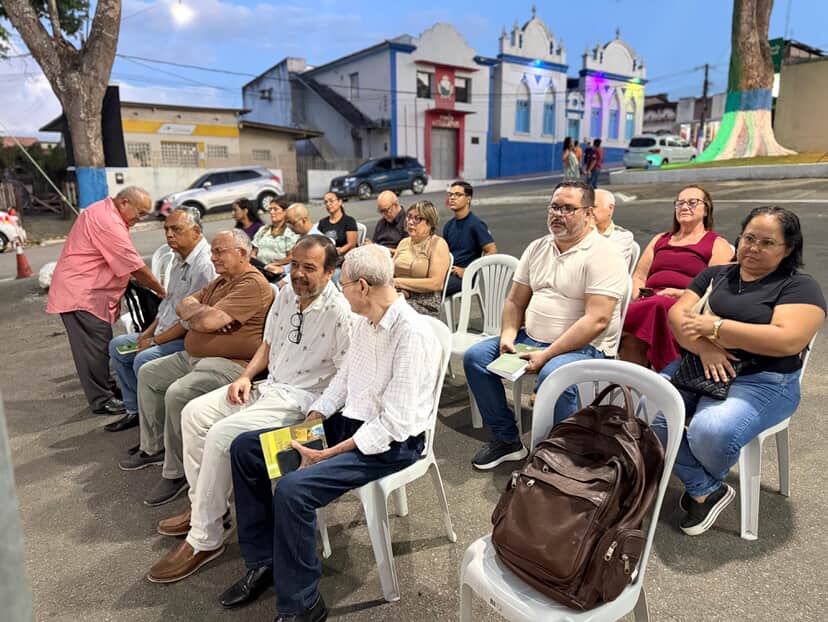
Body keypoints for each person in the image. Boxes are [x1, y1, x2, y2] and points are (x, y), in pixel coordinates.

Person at [224, 244, 441, 619]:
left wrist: (328, 453)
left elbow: (397, 423)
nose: (339, 292)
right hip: (352, 423)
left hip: (391, 444)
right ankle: (265, 561)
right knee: (245, 448)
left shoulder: (411, 334)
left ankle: (304, 603)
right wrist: (315, 414)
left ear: (361, 286)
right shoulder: (365, 322)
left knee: (294, 490)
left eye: (342, 285)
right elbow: (344, 379)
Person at [145, 235, 353, 585]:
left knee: (222, 435)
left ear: (330, 272)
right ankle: (207, 512)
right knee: (193, 414)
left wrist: (317, 413)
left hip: (300, 401)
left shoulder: (340, 313)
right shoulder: (286, 293)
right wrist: (245, 375)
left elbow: (346, 376)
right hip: (268, 387)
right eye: (295, 265)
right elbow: (268, 343)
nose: (298, 274)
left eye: (309, 268)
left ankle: (204, 538)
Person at [655, 206, 825, 536]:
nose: (753, 247)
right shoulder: (717, 274)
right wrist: (704, 347)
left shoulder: (799, 286)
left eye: (766, 242)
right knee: (648, 408)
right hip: (699, 365)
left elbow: (786, 340)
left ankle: (697, 478)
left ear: (788, 248)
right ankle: (705, 487)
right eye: (749, 238)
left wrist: (715, 328)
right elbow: (678, 317)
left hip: (765, 379)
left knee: (710, 431)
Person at [464, 180, 628, 470]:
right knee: (476, 358)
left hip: (586, 347)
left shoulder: (604, 254)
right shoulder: (538, 247)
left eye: (568, 208)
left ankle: (561, 454)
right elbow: (515, 301)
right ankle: (507, 440)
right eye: (554, 206)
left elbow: (597, 320)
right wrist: (509, 335)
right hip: (532, 338)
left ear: (589, 214)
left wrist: (548, 354)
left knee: (554, 374)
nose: (557, 214)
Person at [118, 230, 274, 507]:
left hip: (230, 365)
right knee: (149, 372)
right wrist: (197, 314)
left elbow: (209, 321)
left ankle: (176, 473)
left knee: (178, 393)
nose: (213, 257)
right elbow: (183, 305)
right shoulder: (220, 282)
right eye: (212, 252)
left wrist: (200, 315)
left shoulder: (251, 284)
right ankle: (154, 447)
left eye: (219, 251)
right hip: (194, 356)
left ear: (242, 253)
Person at [45, 187, 165, 416]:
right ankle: (102, 400)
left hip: (87, 290)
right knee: (93, 348)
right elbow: (134, 265)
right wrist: (161, 290)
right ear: (124, 202)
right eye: (139, 213)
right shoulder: (108, 220)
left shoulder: (106, 212)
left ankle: (107, 389)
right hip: (82, 294)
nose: (139, 220)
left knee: (98, 346)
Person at [106, 207, 216, 433]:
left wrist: (156, 342)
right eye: (166, 229)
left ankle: (157, 426)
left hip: (184, 339)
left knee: (143, 359)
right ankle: (135, 410)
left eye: (176, 229)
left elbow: (191, 322)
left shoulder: (204, 265)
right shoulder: (177, 259)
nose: (169, 235)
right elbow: (167, 305)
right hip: (163, 332)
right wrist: (147, 334)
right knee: (119, 347)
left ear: (196, 231)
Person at [619, 185, 733, 371]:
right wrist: (637, 295)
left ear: (706, 210)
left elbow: (716, 288)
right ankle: (635, 391)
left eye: (692, 202)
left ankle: (612, 331)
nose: (684, 207)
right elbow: (639, 276)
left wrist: (682, 294)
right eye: (679, 203)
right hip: (648, 301)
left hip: (684, 303)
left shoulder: (717, 244)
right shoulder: (660, 239)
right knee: (635, 337)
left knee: (658, 306)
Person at [393, 201, 451, 316]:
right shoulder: (404, 242)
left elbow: (436, 283)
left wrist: (398, 282)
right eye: (409, 217)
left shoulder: (437, 244)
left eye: (417, 219)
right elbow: (391, 272)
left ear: (430, 223)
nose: (410, 222)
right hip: (401, 295)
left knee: (386, 309)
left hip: (424, 302)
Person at [442, 181, 497, 296]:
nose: (452, 198)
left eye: (458, 195)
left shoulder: (476, 224)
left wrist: (468, 270)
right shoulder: (448, 226)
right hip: (448, 273)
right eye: (451, 194)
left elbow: (492, 250)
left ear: (468, 199)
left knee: (433, 287)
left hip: (464, 278)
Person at [250, 198, 300, 281]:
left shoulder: (290, 231)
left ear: (285, 212)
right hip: (260, 269)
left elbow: (291, 256)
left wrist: (274, 264)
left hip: (277, 271)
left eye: (275, 209)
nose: (272, 212)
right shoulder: (263, 230)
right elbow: (254, 252)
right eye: (270, 209)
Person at [592, 189, 636, 266]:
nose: (589, 211)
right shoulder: (581, 231)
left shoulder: (622, 236)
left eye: (594, 207)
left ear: (610, 208)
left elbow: (603, 263)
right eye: (586, 207)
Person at [318, 192, 358, 261]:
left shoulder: (349, 221)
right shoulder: (322, 222)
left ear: (340, 202)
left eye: (331, 201)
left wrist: (338, 252)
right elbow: (318, 242)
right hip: (327, 258)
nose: (328, 204)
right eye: (326, 202)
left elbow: (351, 244)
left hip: (344, 258)